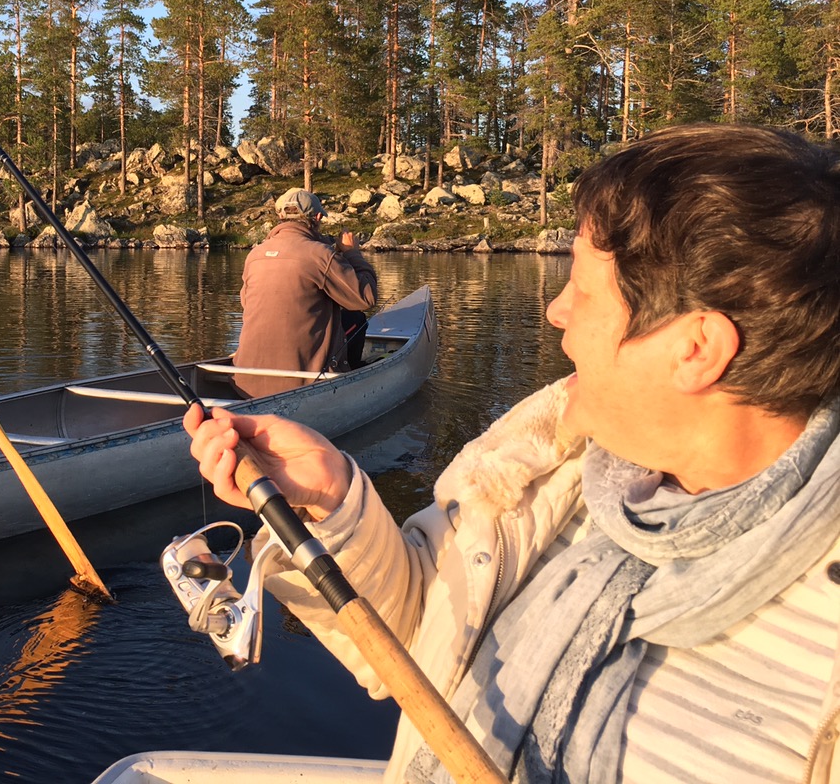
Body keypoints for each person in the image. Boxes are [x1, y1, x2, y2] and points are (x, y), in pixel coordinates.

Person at [186, 123, 840, 783]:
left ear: (694, 350)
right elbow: (431, 641)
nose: (555, 311)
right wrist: (333, 504)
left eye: (582, 290)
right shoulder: (546, 474)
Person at [232, 187, 377, 398]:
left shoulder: (255, 255)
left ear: (281, 216)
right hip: (300, 381)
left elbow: (246, 303)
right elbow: (366, 297)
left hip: (245, 381)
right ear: (317, 218)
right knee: (356, 318)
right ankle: (351, 378)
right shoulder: (321, 255)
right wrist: (352, 253)